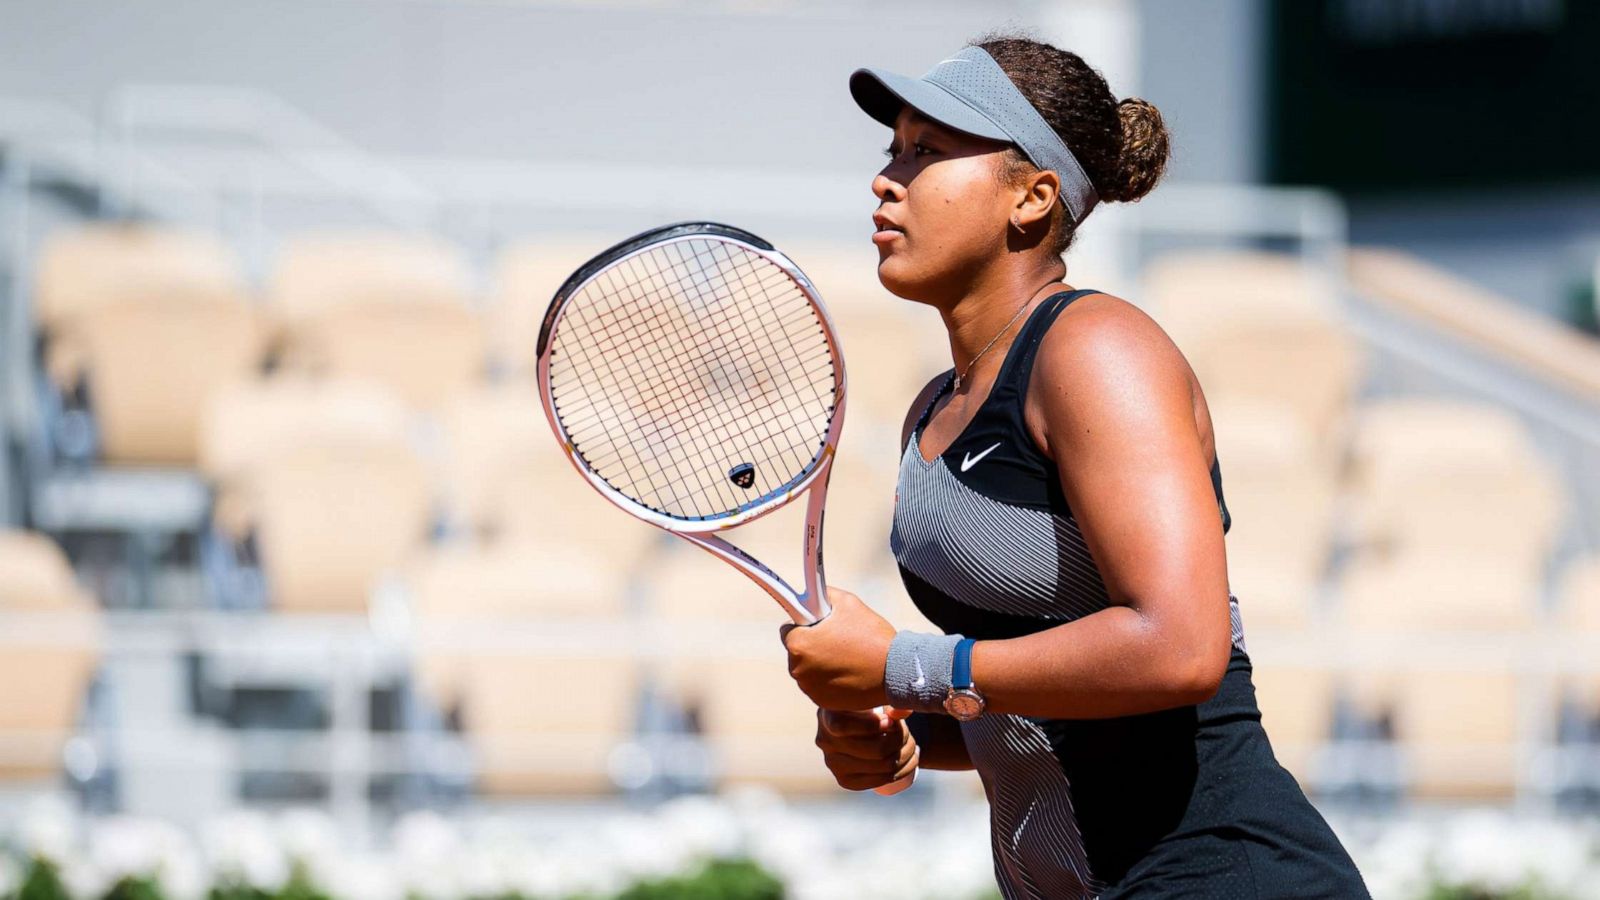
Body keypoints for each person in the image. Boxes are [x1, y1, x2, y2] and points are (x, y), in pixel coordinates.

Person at [778, 32, 1370, 899]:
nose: (887, 178)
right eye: (893, 148)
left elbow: (1180, 648)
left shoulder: (1097, 350)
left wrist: (909, 668)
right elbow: (1052, 713)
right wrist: (910, 730)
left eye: (929, 151)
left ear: (1033, 197)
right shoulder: (934, 409)